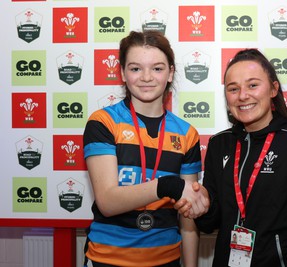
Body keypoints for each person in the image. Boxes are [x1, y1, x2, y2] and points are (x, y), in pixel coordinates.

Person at [177, 49, 287, 266]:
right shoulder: (219, 145)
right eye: (233, 89)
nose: (243, 95)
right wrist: (201, 207)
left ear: (273, 89)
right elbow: (211, 223)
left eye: (253, 85)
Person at [83, 30, 209, 267]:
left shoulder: (186, 133)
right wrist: (166, 186)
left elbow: (188, 216)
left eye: (157, 68)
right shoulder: (103, 122)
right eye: (135, 68)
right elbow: (108, 203)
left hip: (167, 259)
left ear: (170, 73)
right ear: (122, 72)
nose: (147, 77)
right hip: (107, 259)